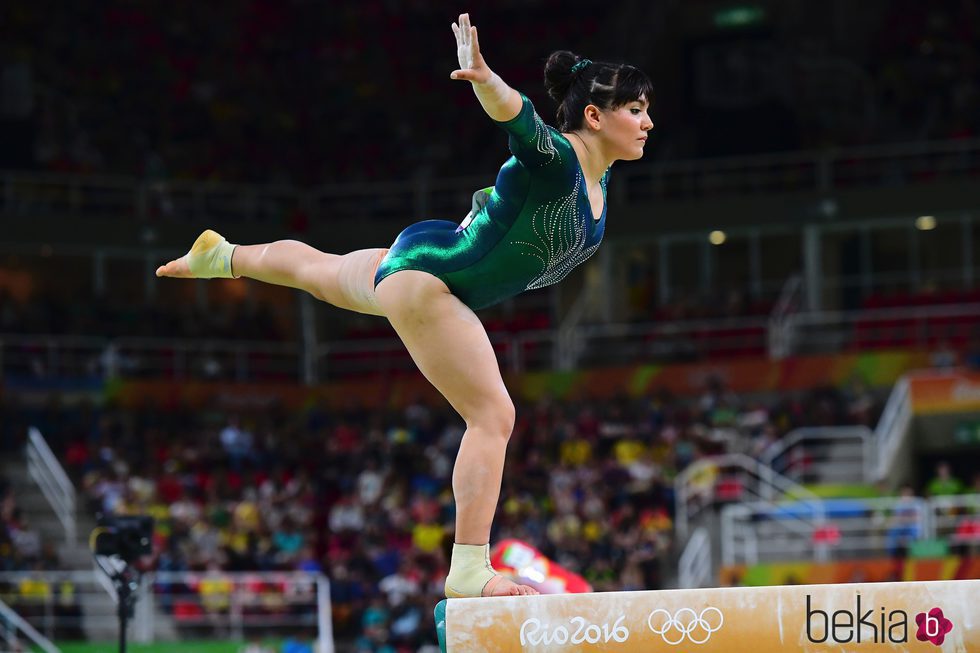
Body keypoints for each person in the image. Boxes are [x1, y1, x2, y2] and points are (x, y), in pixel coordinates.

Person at [157, 12, 654, 597]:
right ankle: (470, 569)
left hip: (426, 262)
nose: (649, 122)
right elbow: (520, 120)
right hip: (431, 280)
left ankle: (224, 256)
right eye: (636, 110)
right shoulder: (560, 162)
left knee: (320, 271)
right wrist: (486, 79)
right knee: (493, 417)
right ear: (594, 117)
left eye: (647, 108)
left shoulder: (601, 183)